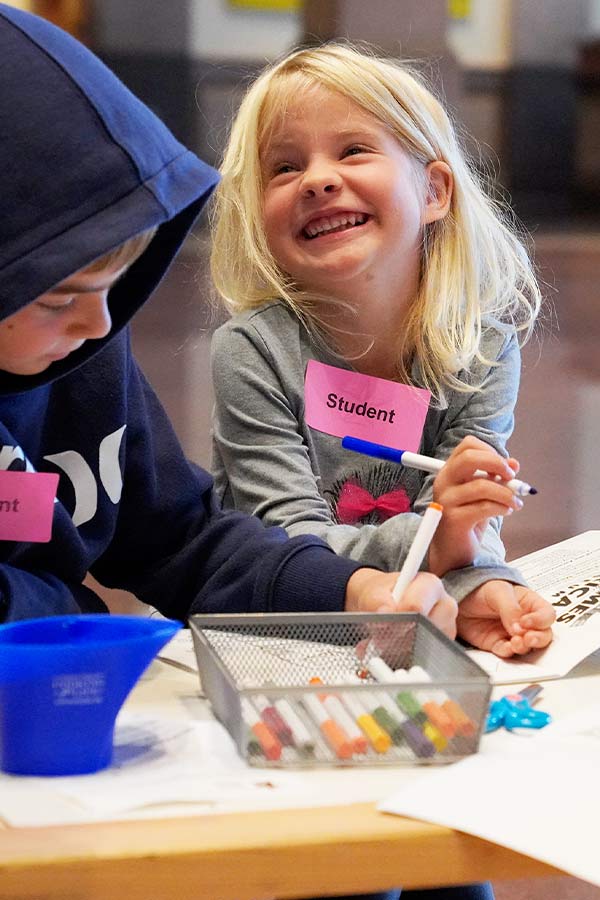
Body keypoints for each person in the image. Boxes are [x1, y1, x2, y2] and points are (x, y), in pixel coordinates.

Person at [0, 3, 462, 647]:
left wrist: (349, 590)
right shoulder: (254, 348)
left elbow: (179, 539)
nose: (100, 321)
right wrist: (54, 603)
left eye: (112, 284)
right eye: (58, 298)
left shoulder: (84, 340)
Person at [209, 43, 556, 661]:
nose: (317, 178)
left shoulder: (483, 350)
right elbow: (289, 544)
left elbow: (469, 518)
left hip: (398, 620)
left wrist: (479, 585)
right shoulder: (251, 351)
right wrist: (440, 536)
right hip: (278, 628)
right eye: (284, 168)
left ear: (435, 191)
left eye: (352, 151)